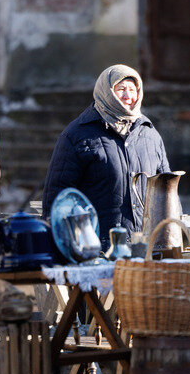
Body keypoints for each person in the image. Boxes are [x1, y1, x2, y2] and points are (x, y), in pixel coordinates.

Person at [42, 64, 170, 246]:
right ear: (106, 92)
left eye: (132, 90)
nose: (128, 96)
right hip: (96, 246)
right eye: (121, 89)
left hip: (145, 245)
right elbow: (58, 194)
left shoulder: (149, 134)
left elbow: (167, 190)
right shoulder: (77, 134)